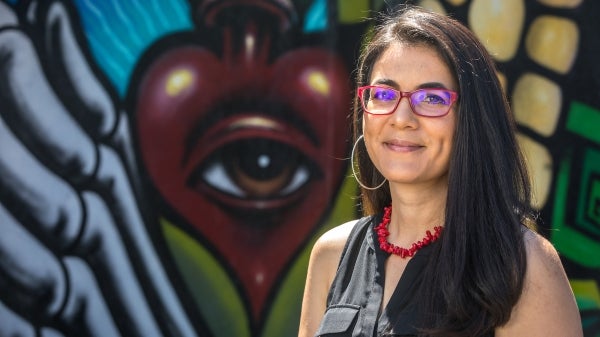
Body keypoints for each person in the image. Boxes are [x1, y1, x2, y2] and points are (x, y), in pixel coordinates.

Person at [298, 5, 583, 337]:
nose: (401, 117)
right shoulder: (331, 255)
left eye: (431, 98)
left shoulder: (523, 266)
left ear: (471, 120)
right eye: (384, 94)